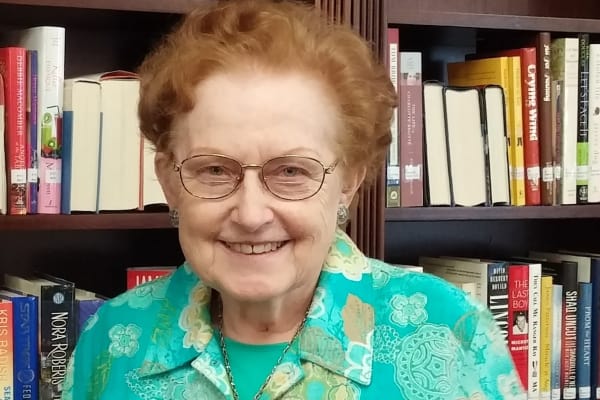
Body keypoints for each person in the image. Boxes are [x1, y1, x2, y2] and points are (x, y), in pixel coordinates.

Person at [62, 0, 526, 399]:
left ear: (348, 179)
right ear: (169, 180)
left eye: (290, 172)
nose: (250, 214)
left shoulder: (449, 332)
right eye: (214, 170)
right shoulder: (113, 340)